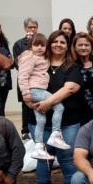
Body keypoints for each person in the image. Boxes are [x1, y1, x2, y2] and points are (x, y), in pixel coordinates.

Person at [26, 30, 88, 184]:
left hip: (68, 122)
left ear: (67, 46)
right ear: (49, 44)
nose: (58, 45)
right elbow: (24, 84)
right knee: (44, 157)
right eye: (55, 41)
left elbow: (70, 88)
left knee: (67, 155)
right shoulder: (38, 64)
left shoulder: (72, 67)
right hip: (39, 120)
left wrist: (48, 102)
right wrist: (30, 101)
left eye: (62, 42)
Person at [18, 32, 70, 161]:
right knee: (59, 107)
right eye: (36, 45)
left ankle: (39, 147)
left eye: (43, 45)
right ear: (31, 46)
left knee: (41, 121)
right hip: (35, 90)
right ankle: (56, 134)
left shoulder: (43, 57)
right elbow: (22, 76)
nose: (40, 48)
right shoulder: (30, 58)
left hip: (36, 91)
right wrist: (26, 94)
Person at [12, 17, 39, 137]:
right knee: (26, 105)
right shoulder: (18, 44)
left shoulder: (42, 42)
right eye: (30, 27)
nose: (32, 29)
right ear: (25, 28)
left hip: (39, 79)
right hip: (25, 80)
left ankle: (39, 128)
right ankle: (25, 131)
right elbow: (18, 64)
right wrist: (29, 45)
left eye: (34, 27)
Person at [72, 32, 93, 115]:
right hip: (79, 112)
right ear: (75, 47)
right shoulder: (71, 66)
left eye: (86, 45)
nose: (83, 47)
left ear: (91, 47)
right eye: (80, 45)